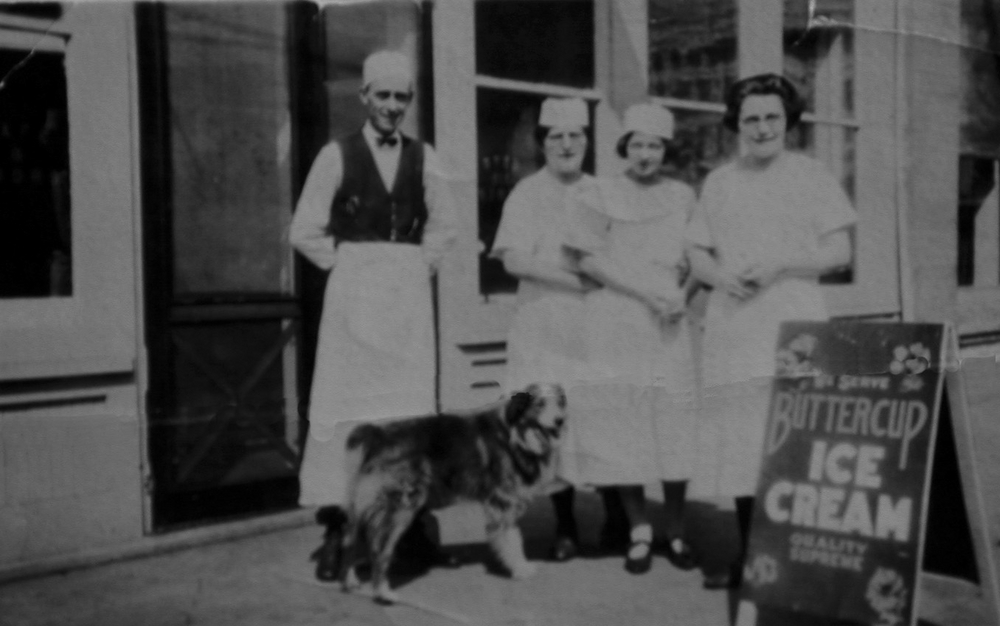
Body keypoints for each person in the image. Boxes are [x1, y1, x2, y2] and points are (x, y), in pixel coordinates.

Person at [290, 49, 457, 581]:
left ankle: (406, 531)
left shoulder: (425, 157)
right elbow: (305, 230)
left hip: (406, 301)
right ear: (364, 97)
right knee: (346, 409)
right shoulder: (334, 155)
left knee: (403, 413)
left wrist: (413, 268)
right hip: (353, 297)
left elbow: (444, 228)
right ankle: (339, 527)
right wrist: (350, 266)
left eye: (400, 97)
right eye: (382, 95)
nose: (391, 106)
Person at [685, 73, 857, 588]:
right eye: (751, 118)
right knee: (742, 440)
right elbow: (696, 252)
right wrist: (718, 275)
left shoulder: (812, 174)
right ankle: (753, 554)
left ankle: (796, 555)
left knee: (794, 434)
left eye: (771, 118)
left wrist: (783, 264)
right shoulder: (720, 181)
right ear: (736, 124)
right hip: (735, 322)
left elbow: (841, 251)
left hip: (792, 317)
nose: (762, 128)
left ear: (789, 122)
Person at [490, 97, 628, 563]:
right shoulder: (527, 193)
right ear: (542, 143)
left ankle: (617, 517)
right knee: (548, 421)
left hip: (596, 321)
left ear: (587, 141)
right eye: (556, 136)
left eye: (575, 135)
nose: (566, 145)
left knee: (601, 414)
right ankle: (565, 525)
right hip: (544, 320)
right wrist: (575, 280)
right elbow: (512, 258)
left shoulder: (604, 191)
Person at [563, 103, 699, 575]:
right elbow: (586, 261)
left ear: (666, 149)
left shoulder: (682, 195)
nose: (646, 154)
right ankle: (640, 529)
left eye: (655, 145)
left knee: (673, 421)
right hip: (618, 314)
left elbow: (699, 257)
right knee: (626, 424)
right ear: (625, 147)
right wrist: (643, 292)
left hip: (668, 317)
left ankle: (676, 528)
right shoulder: (600, 193)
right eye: (638, 144)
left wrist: (683, 295)